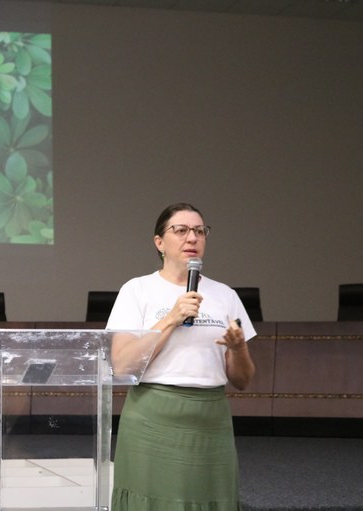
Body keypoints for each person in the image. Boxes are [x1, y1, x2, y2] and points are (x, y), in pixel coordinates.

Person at [107, 202, 256, 511]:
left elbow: (242, 380)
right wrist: (171, 318)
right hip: (153, 414)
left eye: (200, 231)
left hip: (210, 418)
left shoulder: (225, 295)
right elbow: (123, 365)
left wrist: (239, 348)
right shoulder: (137, 290)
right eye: (181, 230)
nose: (192, 238)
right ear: (159, 243)